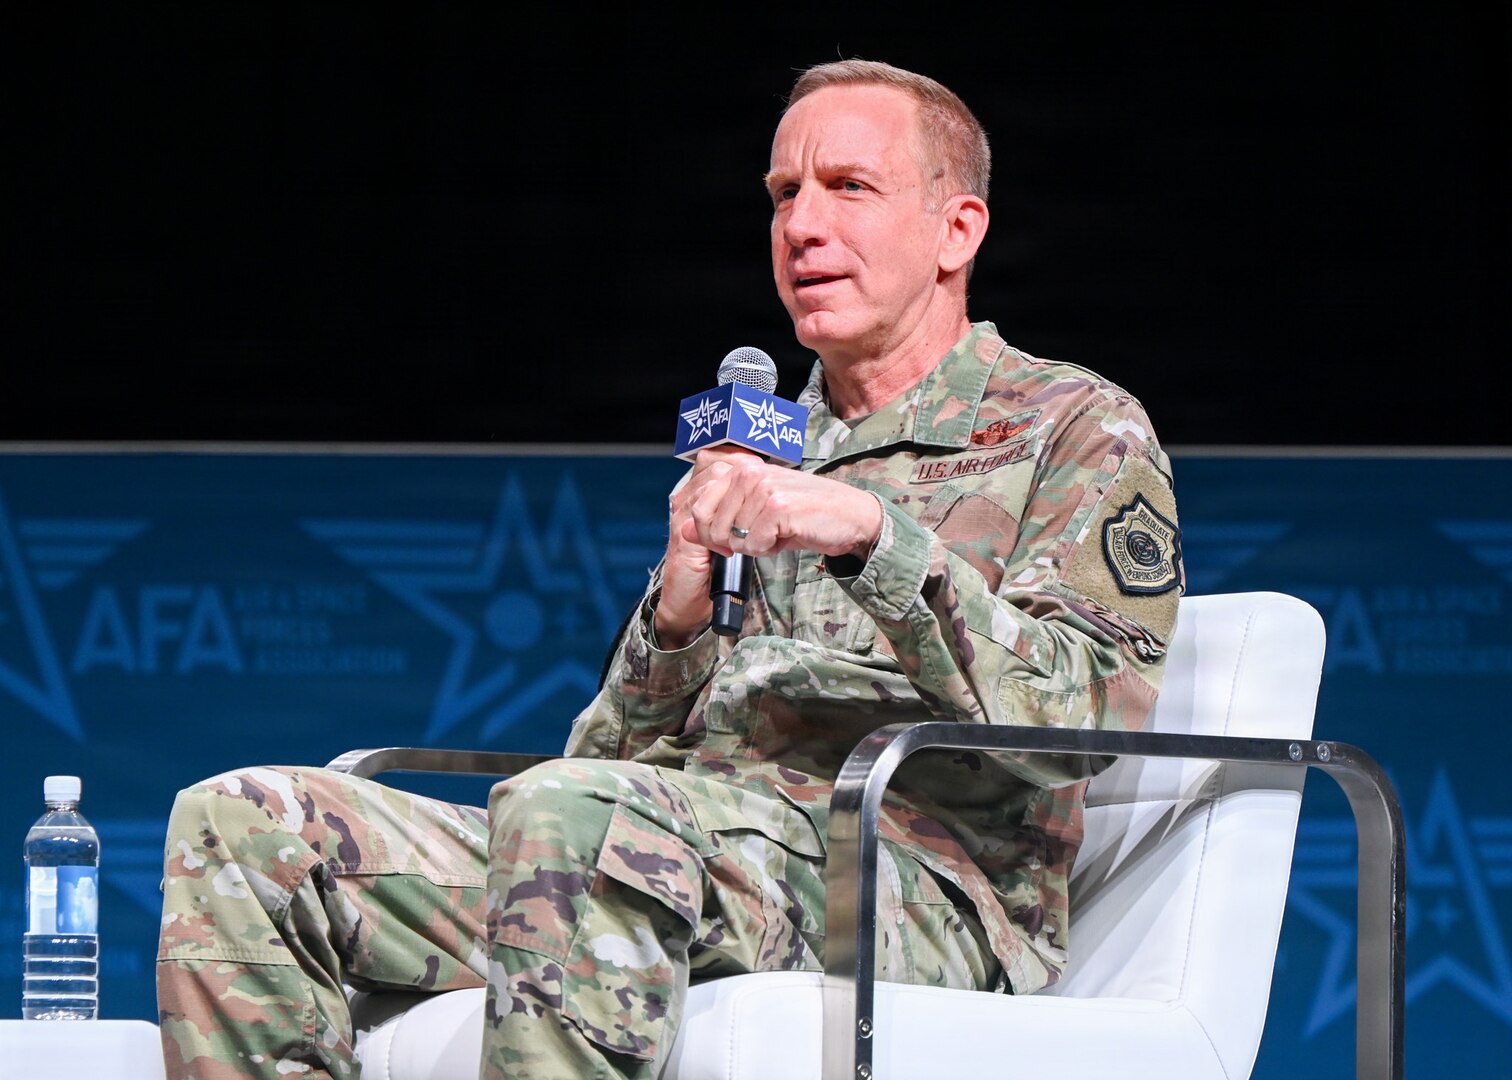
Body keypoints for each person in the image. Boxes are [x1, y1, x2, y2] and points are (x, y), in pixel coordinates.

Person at [156, 59, 1183, 1080]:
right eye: (784, 193)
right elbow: (598, 755)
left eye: (849, 187)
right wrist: (681, 616)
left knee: (582, 821)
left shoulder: (1072, 426)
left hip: (902, 887)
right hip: (668, 847)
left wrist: (873, 534)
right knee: (244, 826)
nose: (801, 225)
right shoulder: (769, 442)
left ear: (957, 230)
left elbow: (1082, 724)